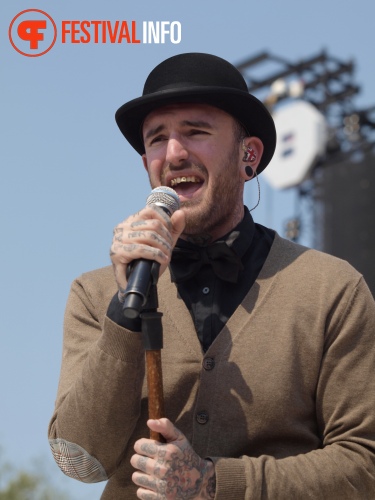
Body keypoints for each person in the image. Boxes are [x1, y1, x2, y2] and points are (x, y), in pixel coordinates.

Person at [48, 53, 375, 499]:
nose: (175, 152)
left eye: (196, 132)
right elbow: (80, 461)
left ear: (249, 155)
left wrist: (213, 483)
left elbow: (364, 465)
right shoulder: (95, 293)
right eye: (157, 139)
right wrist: (126, 312)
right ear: (147, 164)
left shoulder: (331, 289)